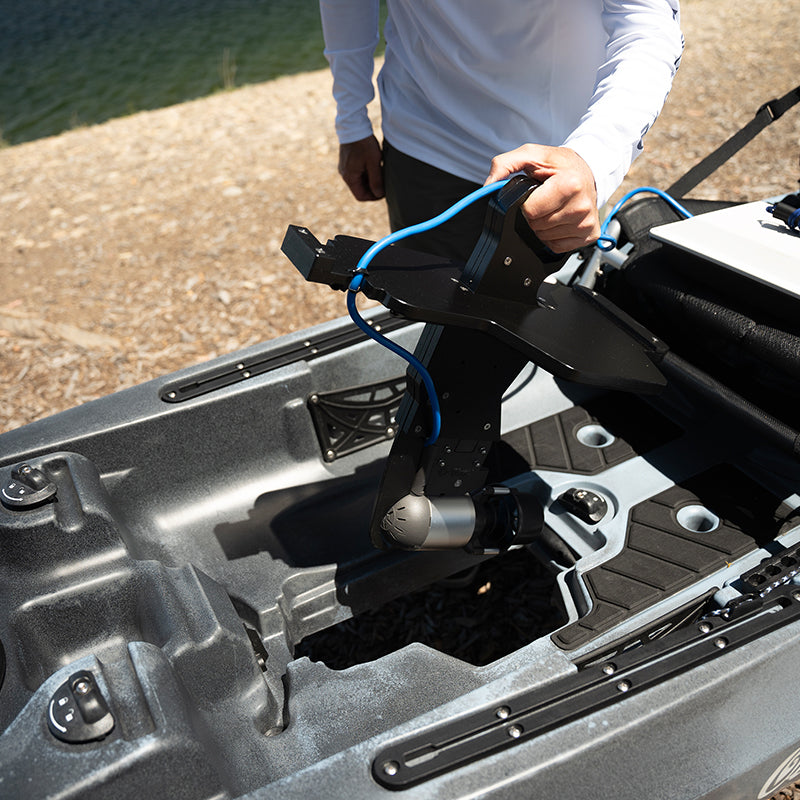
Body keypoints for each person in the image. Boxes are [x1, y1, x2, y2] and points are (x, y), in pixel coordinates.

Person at [319, 0, 684, 261]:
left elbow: (648, 26)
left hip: (551, 165)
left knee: (555, 332)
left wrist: (593, 158)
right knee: (434, 326)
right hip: (420, 141)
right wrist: (351, 122)